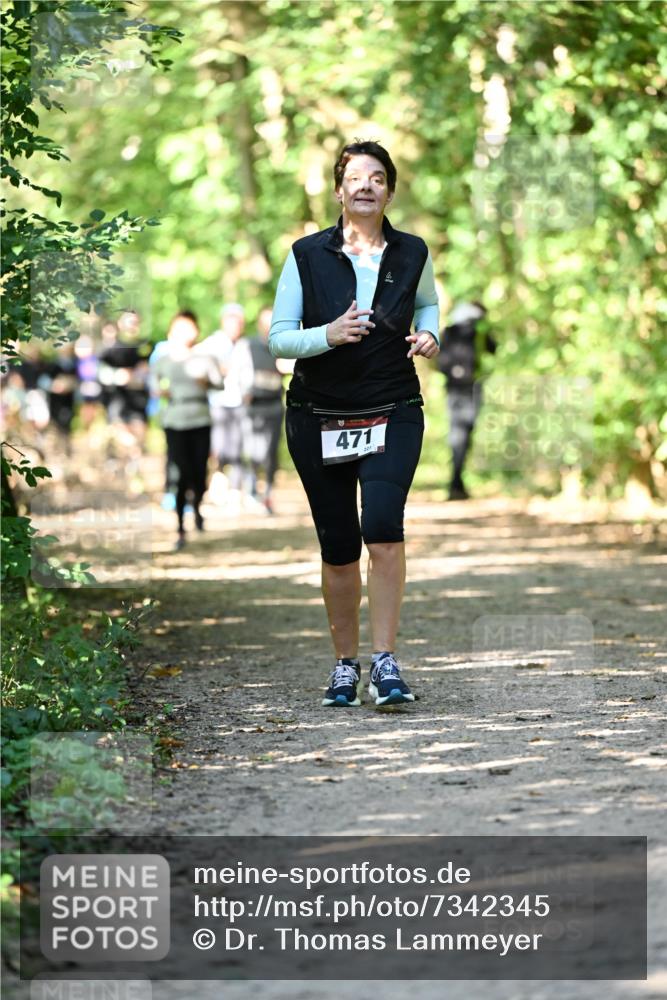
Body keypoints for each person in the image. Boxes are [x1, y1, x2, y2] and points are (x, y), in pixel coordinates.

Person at [270, 139, 439, 708]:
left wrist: (429, 334)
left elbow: (428, 305)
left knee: (384, 529)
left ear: (389, 190)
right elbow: (279, 335)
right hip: (318, 414)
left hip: (392, 408)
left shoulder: (412, 252)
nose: (367, 186)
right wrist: (328, 334)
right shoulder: (306, 254)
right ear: (339, 189)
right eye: (356, 178)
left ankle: (386, 661)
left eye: (378, 178)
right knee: (339, 544)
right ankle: (346, 665)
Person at [151, 311, 222, 550]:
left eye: (190, 327)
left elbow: (219, 383)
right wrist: (160, 391)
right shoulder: (165, 360)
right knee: (180, 473)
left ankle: (199, 504)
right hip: (175, 420)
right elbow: (152, 382)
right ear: (172, 332)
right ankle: (181, 527)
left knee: (199, 472)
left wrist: (207, 383)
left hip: (200, 418)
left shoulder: (205, 357)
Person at [438, 301, 497, 500]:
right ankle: (456, 483)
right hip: (469, 389)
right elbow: (493, 348)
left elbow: (441, 363)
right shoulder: (476, 331)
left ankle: (456, 483)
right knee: (463, 435)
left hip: (457, 389)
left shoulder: (450, 331)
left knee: (458, 436)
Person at [199, 303, 253, 510]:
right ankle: (216, 488)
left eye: (239, 322)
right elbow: (194, 361)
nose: (236, 326)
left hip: (239, 403)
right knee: (218, 448)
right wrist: (215, 372)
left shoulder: (244, 345)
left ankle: (235, 491)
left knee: (237, 448)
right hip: (218, 403)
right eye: (232, 321)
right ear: (223, 322)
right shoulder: (212, 343)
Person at [244, 307, 286, 514]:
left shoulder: (283, 344)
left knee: (270, 452)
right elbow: (237, 371)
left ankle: (268, 493)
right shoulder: (248, 345)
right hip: (253, 407)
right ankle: (251, 489)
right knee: (254, 451)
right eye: (265, 321)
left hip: (275, 404)